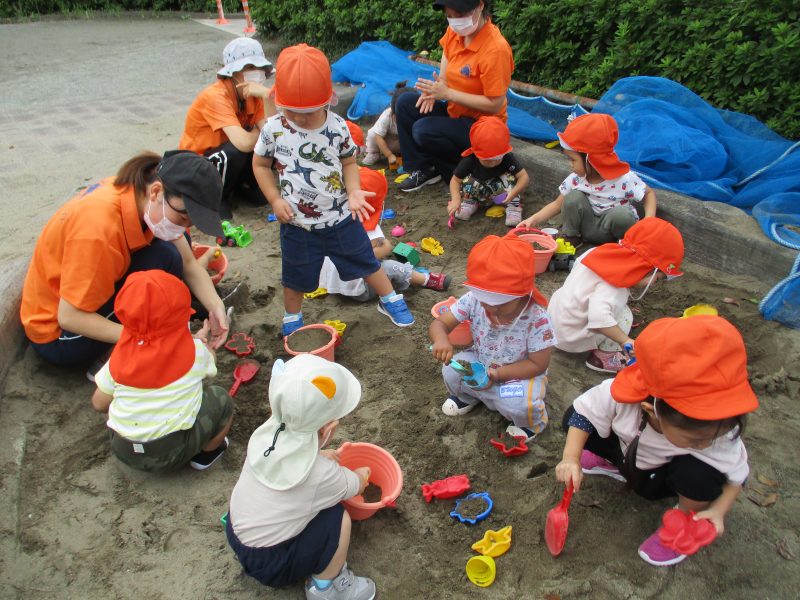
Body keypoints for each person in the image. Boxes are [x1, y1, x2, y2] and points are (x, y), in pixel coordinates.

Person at [555, 315, 759, 566]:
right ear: (653, 411)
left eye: (710, 438)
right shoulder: (621, 396)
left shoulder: (718, 427)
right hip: (627, 451)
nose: (706, 444)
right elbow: (584, 413)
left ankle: (681, 525)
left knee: (701, 476)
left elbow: (736, 477)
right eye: (695, 441)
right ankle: (610, 462)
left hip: (658, 479)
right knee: (575, 420)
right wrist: (570, 459)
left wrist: (719, 511)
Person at [252, 43, 415, 337]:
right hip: (297, 223)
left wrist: (353, 191)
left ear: (328, 100)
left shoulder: (337, 127)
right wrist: (275, 200)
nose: (300, 119)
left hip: (340, 217)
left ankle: (389, 298)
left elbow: (349, 162)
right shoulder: (273, 129)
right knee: (295, 276)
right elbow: (260, 165)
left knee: (366, 260)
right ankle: (292, 318)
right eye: (292, 111)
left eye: (310, 112)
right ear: (279, 102)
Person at [20, 150, 230, 375]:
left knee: (171, 251)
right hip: (59, 335)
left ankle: (148, 331)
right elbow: (69, 317)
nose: (183, 225)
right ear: (157, 191)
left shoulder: (144, 194)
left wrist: (215, 305)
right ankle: (112, 357)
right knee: (165, 259)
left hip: (83, 295)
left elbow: (188, 263)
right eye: (183, 217)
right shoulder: (99, 230)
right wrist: (148, 340)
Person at [226, 354, 375, 600]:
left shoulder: (265, 436)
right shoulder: (322, 475)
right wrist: (362, 475)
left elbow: (293, 456)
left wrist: (319, 455)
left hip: (238, 533)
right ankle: (326, 587)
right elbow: (354, 486)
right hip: (271, 563)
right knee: (338, 519)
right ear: (327, 429)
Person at [90, 270, 233, 472]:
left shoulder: (119, 357)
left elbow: (98, 403)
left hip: (123, 450)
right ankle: (207, 453)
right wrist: (204, 345)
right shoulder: (194, 352)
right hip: (171, 452)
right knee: (221, 399)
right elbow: (211, 366)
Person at [429, 232, 556, 442]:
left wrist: (498, 375)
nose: (489, 308)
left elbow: (538, 364)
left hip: (518, 372)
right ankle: (468, 396)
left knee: (522, 404)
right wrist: (441, 339)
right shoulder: (474, 300)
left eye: (499, 303)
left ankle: (531, 425)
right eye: (485, 300)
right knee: (451, 370)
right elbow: (440, 323)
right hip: (481, 361)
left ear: (522, 294)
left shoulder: (537, 318)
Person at [396, 0, 514, 192]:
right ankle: (424, 168)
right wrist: (436, 89)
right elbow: (446, 60)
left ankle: (461, 176)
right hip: (456, 115)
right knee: (405, 103)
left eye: (459, 15)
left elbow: (495, 104)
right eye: (449, 16)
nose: (455, 22)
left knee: (423, 130)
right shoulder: (456, 33)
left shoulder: (496, 49)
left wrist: (448, 93)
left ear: (480, 6)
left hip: (484, 126)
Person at [548, 218, 684, 373]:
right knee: (625, 317)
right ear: (648, 268)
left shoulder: (596, 251)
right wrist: (625, 340)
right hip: (570, 337)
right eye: (658, 278)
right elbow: (599, 320)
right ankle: (603, 358)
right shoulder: (615, 286)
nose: (654, 283)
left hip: (554, 322)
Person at [520, 113, 657, 247]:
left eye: (573, 159)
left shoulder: (623, 179)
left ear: (591, 159)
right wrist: (532, 220)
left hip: (611, 231)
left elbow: (649, 194)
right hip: (586, 228)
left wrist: (648, 221)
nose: (570, 164)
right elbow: (557, 205)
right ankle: (572, 236)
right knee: (572, 197)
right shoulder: (576, 179)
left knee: (623, 215)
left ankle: (621, 244)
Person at [319, 167, 451, 298]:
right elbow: (364, 258)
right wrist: (386, 247)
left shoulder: (330, 220)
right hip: (360, 289)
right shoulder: (368, 228)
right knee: (391, 267)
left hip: (333, 286)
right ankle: (425, 279)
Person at [179, 37, 275, 218]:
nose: (256, 73)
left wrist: (267, 96)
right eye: (248, 68)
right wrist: (260, 131)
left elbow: (274, 134)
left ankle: (243, 187)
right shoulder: (215, 96)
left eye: (259, 68)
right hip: (197, 165)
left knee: (264, 147)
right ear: (233, 72)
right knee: (238, 149)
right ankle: (214, 198)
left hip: (224, 159)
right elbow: (244, 143)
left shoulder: (255, 94)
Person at [447, 116, 530, 227]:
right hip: (480, 193)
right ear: (476, 153)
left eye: (498, 158)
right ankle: (469, 202)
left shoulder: (507, 158)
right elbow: (455, 180)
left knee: (509, 178)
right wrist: (456, 199)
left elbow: (524, 176)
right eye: (487, 160)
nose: (493, 163)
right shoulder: (469, 160)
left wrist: (513, 192)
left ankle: (513, 206)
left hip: (502, 195)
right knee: (467, 180)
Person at [361, 82, 414, 167]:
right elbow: (378, 137)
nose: (404, 120)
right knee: (373, 134)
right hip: (386, 140)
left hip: (402, 142)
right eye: (400, 116)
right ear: (393, 111)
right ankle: (373, 152)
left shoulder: (416, 118)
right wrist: (389, 155)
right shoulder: (387, 115)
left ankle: (404, 156)